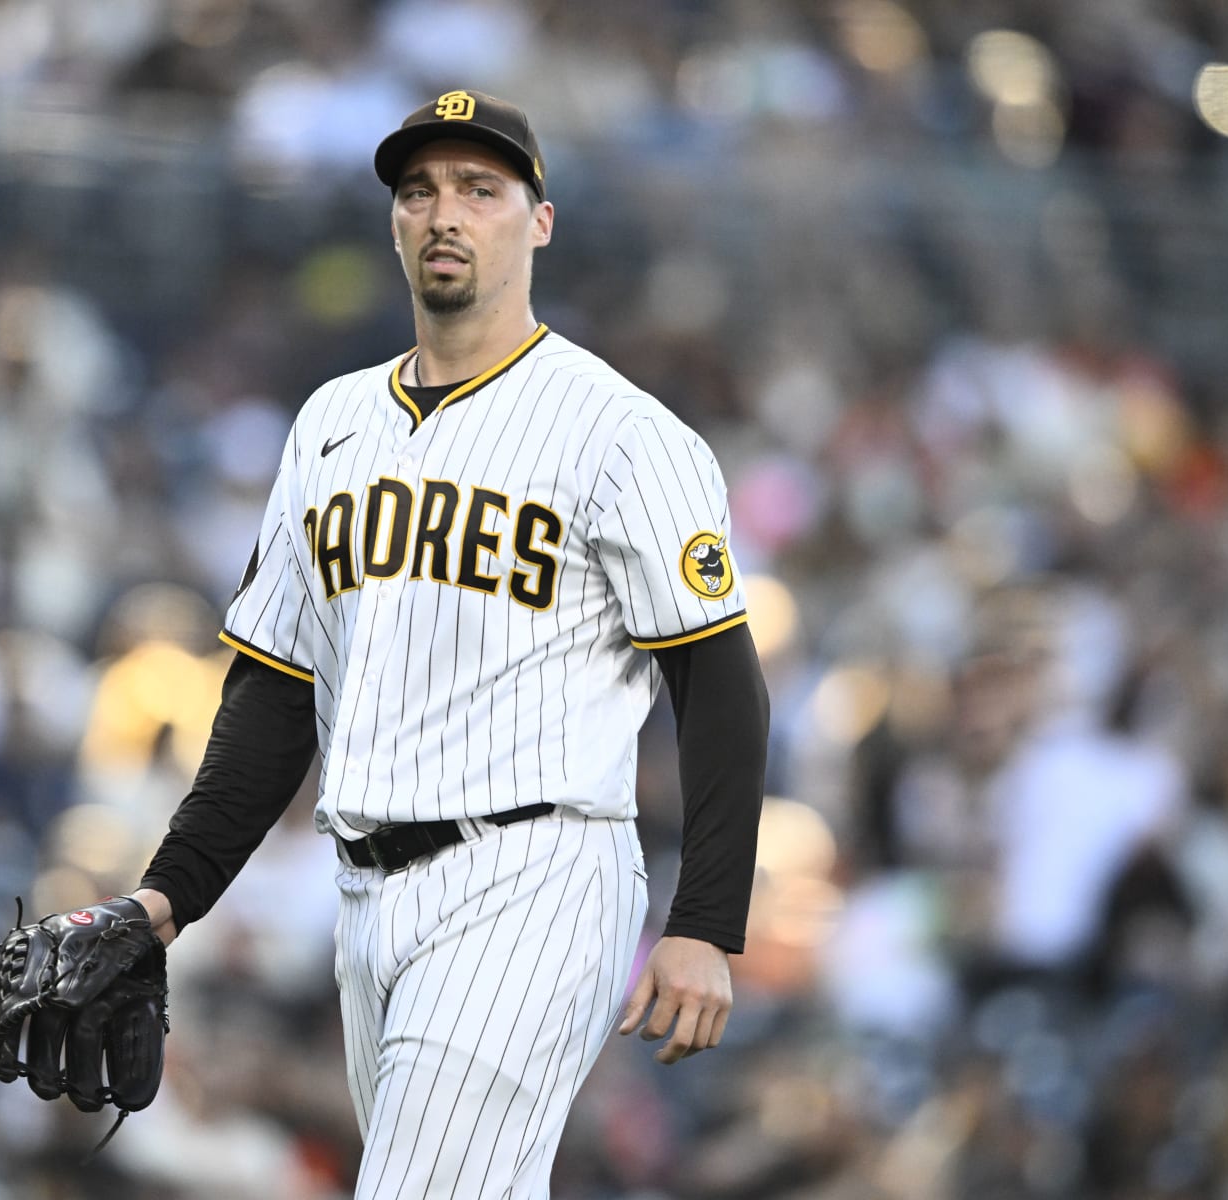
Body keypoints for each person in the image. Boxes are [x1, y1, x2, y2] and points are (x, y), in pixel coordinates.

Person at [129, 90, 770, 1198]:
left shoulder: (624, 433)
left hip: (535, 876)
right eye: (419, 190)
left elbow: (720, 688)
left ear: (540, 221)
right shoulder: (329, 424)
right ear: (392, 224)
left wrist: (705, 923)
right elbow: (273, 705)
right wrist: (159, 903)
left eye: (480, 190)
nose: (445, 213)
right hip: (365, 899)